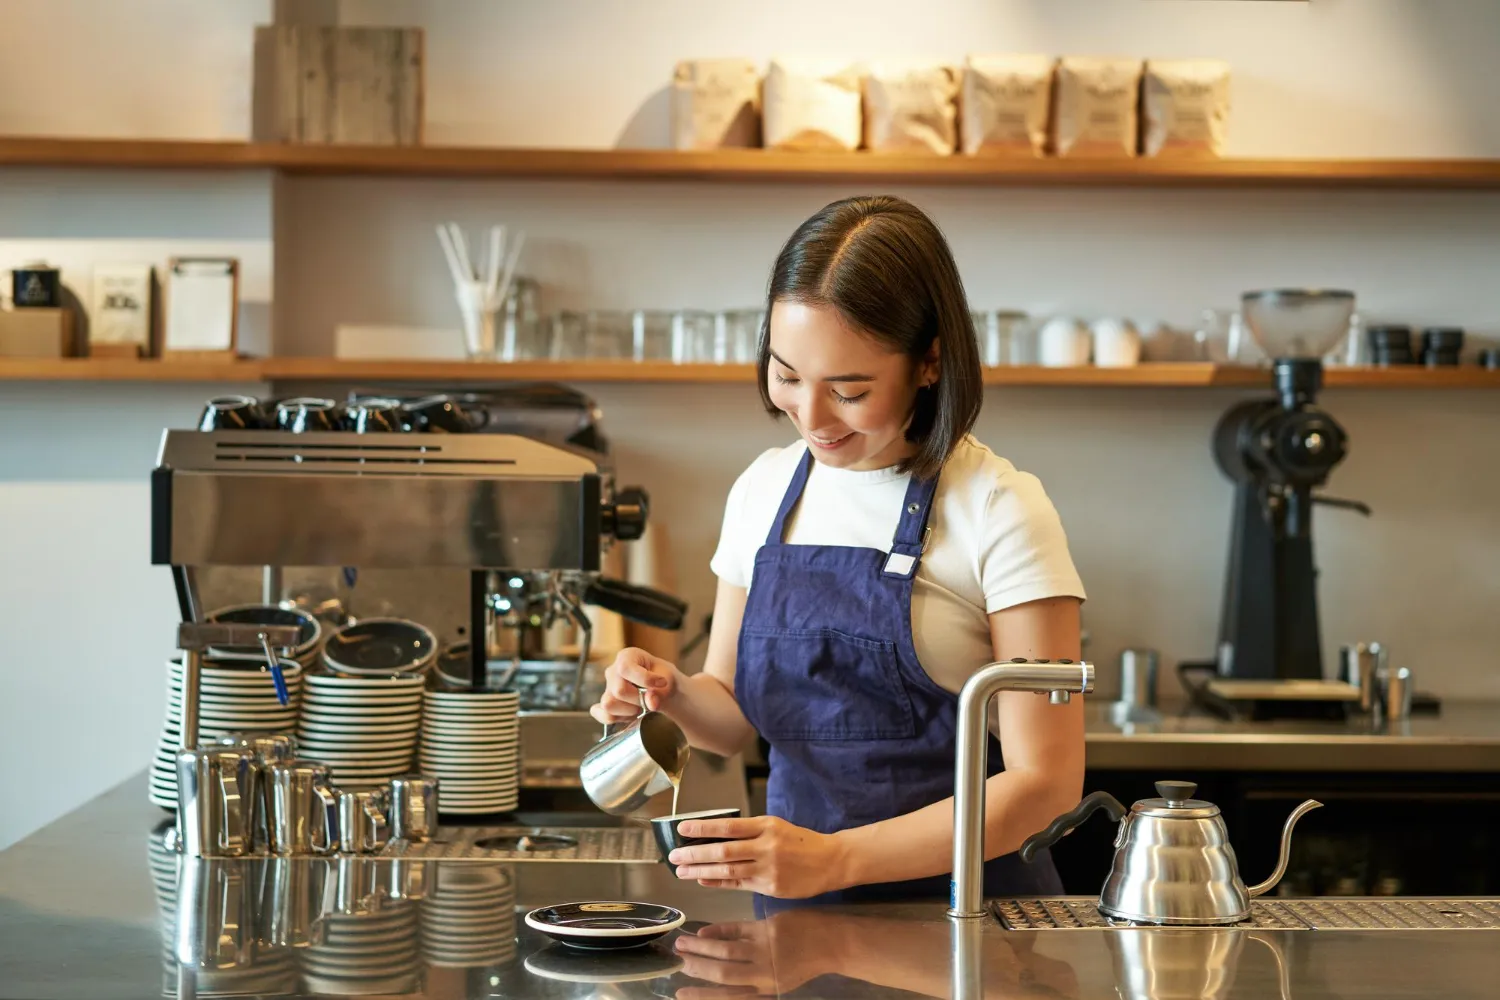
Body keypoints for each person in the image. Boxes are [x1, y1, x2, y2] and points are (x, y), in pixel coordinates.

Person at [590, 194, 1087, 903]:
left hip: (968, 924)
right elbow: (730, 718)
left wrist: (834, 859)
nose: (812, 418)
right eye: (787, 375)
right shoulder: (764, 490)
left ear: (930, 363)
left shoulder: (1001, 509)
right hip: (797, 924)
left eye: (849, 391)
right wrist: (669, 693)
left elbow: (1046, 783)